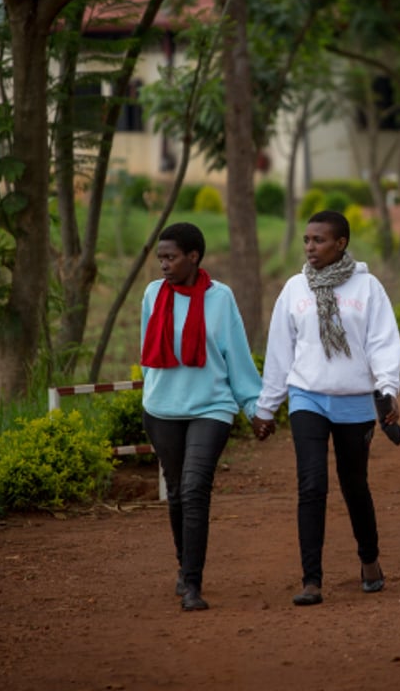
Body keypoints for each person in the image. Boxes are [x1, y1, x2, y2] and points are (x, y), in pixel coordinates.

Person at [251, 211, 400, 607]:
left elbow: (383, 344)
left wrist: (387, 390)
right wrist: (267, 407)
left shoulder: (368, 288)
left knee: (354, 486)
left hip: (354, 400)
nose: (310, 247)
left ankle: (369, 561)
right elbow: (280, 352)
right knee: (312, 485)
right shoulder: (294, 288)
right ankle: (311, 580)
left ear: (341, 244)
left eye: (319, 240)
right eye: (306, 240)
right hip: (308, 397)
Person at [139, 222, 265, 612]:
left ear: (193, 257)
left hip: (212, 407)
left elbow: (237, 355)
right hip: (162, 408)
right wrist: (152, 391)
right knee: (177, 493)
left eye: (171, 257)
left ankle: (192, 585)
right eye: (160, 258)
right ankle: (183, 567)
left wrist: (254, 407)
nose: (164, 265)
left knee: (194, 490)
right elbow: (147, 349)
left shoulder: (220, 298)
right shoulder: (152, 294)